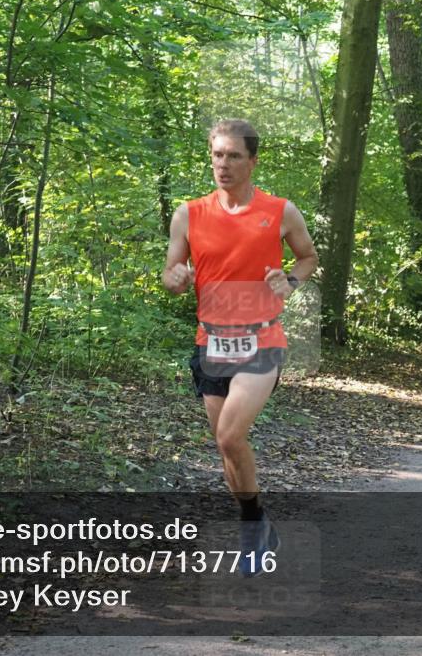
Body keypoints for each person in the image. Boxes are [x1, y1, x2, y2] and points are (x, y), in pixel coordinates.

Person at [162, 119, 318, 577]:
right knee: (227, 448)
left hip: (261, 340)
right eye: (217, 155)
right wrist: (176, 278)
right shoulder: (189, 214)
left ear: (252, 161)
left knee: (230, 435)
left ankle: (250, 530)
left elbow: (307, 257)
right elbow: (171, 272)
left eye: (233, 155)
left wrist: (290, 281)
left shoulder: (280, 211)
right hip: (211, 341)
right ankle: (257, 521)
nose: (223, 164)